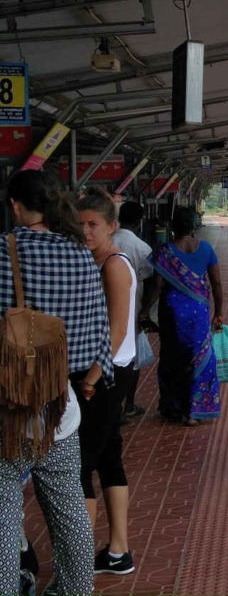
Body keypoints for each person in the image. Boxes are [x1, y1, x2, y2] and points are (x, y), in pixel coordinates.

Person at [0, 170, 113, 596]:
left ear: (15, 205)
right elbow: (99, 331)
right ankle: (73, 591)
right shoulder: (80, 254)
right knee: (69, 516)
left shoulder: (3, 250)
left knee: (4, 515)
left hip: (6, 408)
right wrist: (90, 379)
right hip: (58, 407)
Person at [75, 189, 137, 575]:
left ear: (112, 226)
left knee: (81, 463)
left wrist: (89, 380)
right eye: (80, 223)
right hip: (113, 372)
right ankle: (118, 552)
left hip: (107, 374)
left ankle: (78, 563)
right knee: (109, 457)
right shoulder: (94, 260)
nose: (85, 231)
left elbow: (115, 331)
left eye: (93, 224)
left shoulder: (113, 264)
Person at [141, 208, 223, 427]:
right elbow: (216, 283)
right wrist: (219, 312)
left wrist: (144, 310)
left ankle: (174, 408)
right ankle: (195, 412)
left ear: (172, 227)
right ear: (193, 227)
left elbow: (157, 285)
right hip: (199, 313)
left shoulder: (164, 251)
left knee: (172, 358)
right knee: (200, 358)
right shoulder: (205, 249)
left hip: (173, 313)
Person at [112, 201, 154, 421]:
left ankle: (110, 405)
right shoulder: (142, 248)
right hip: (132, 310)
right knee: (130, 359)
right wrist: (145, 311)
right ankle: (128, 404)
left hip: (103, 310)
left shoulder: (105, 241)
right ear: (140, 221)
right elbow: (149, 281)